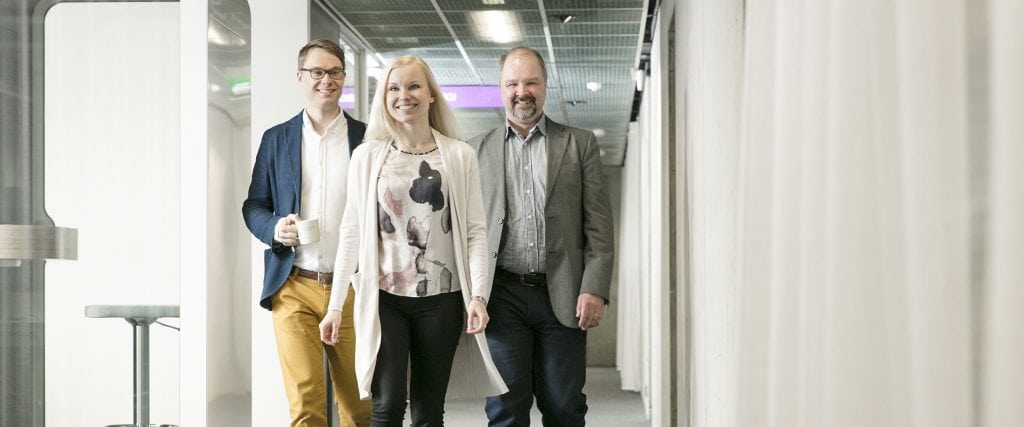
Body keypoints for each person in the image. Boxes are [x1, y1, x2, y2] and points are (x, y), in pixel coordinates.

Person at [319, 55, 508, 427]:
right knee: (387, 405)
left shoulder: (459, 155)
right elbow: (351, 232)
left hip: (442, 299)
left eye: (414, 86)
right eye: (394, 88)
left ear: (431, 94)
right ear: (384, 98)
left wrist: (478, 296)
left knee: (427, 411)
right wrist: (336, 305)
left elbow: (475, 232)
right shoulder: (367, 156)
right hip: (384, 298)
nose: (403, 95)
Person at [467, 46, 616, 426]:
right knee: (505, 408)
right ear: (501, 89)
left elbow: (599, 225)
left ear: (545, 85)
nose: (522, 91)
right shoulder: (474, 151)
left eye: (531, 82)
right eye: (513, 83)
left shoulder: (579, 144)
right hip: (502, 298)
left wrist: (594, 287)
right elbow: (467, 231)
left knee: (564, 405)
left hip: (563, 294)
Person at [242, 39, 372, 427]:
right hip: (294, 284)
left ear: (344, 77)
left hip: (352, 288)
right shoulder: (276, 139)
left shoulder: (367, 139)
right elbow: (254, 205)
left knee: (360, 408)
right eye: (317, 71)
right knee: (306, 406)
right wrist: (275, 228)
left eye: (334, 72)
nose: (326, 80)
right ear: (300, 76)